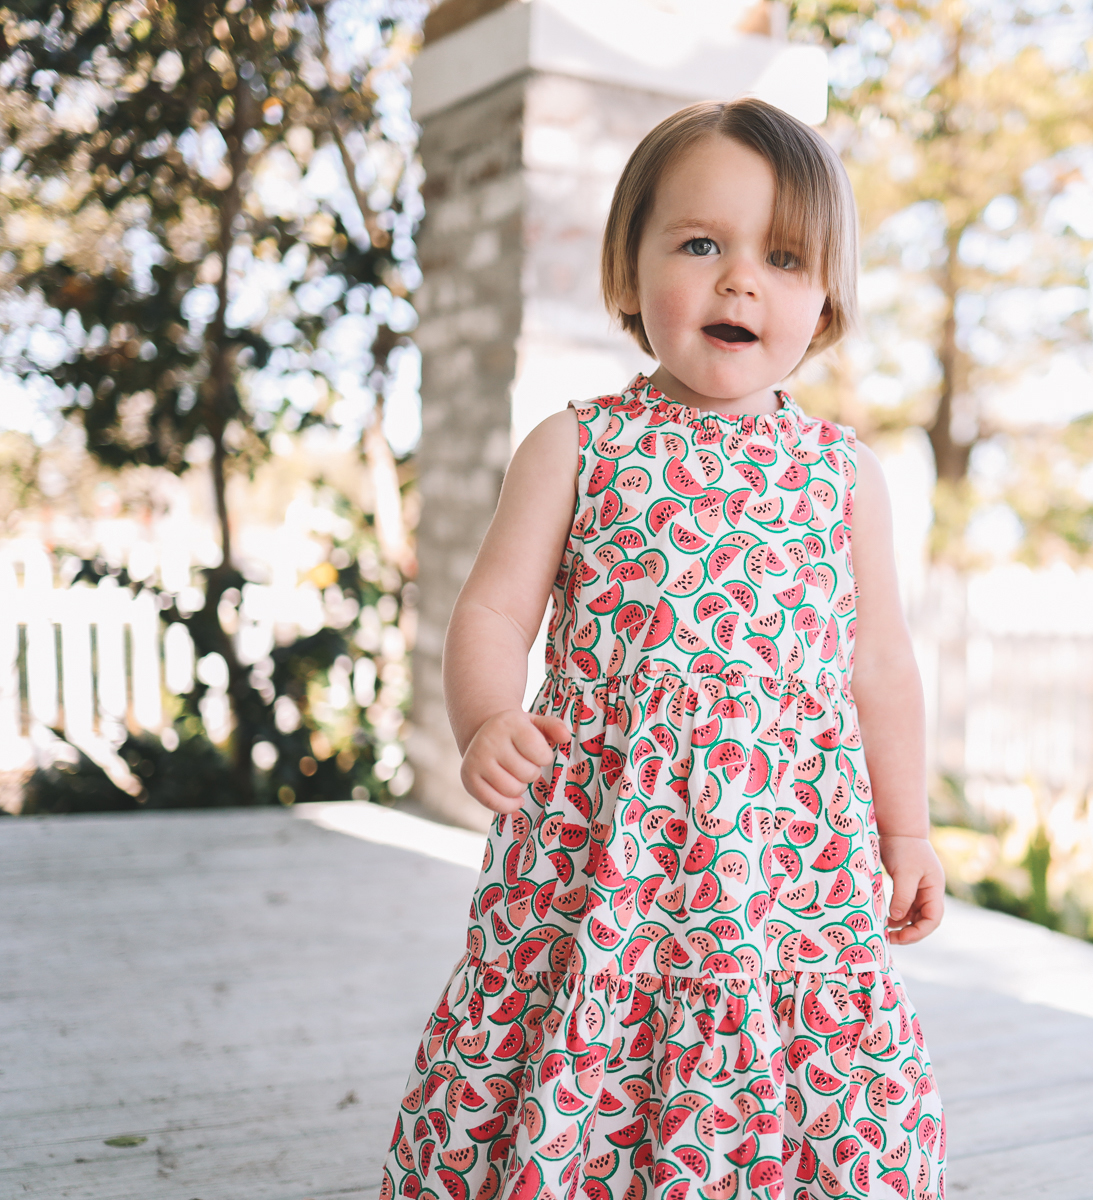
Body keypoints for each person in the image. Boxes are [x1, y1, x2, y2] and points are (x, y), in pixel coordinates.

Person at [381, 97, 947, 1200]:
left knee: (790, 1069)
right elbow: (493, 614)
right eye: (701, 244)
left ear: (824, 299)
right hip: (604, 856)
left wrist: (906, 825)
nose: (742, 281)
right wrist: (487, 717)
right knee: (589, 1051)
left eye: (784, 258)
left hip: (787, 868)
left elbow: (879, 662)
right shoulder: (579, 444)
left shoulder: (843, 476)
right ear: (629, 273)